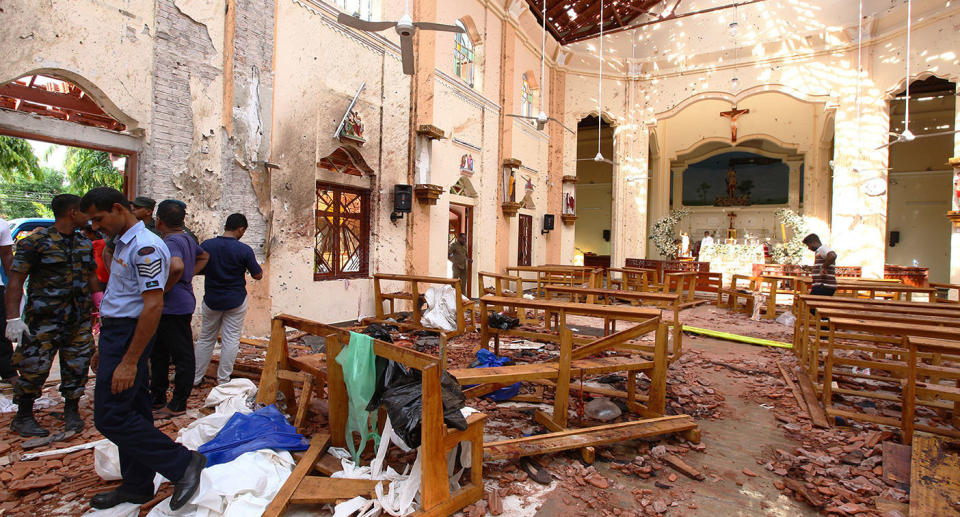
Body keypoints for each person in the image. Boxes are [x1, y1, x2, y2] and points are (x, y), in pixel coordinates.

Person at [80, 187, 205, 511]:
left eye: (99, 218)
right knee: (133, 412)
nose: (96, 226)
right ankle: (137, 486)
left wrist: (129, 360)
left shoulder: (146, 246)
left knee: (110, 416)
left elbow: (152, 306)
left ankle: (182, 463)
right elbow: (126, 295)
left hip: (128, 335)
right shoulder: (125, 243)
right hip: (117, 334)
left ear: (119, 209)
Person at [5, 195, 100, 437]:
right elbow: (15, 281)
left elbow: (91, 278)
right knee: (33, 367)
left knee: (77, 366)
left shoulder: (83, 243)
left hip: (77, 319)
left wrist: (100, 305)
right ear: (72, 212)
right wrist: (13, 318)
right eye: (83, 212)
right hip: (43, 320)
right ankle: (23, 416)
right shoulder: (35, 242)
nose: (87, 217)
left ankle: (71, 411)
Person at [151, 200, 208, 419]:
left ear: (159, 221)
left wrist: (164, 289)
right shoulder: (186, 238)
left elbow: (176, 266)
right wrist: (188, 276)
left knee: (180, 355)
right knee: (160, 353)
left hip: (172, 305)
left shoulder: (172, 241)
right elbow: (204, 257)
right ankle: (157, 396)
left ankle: (177, 403)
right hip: (179, 302)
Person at [194, 214, 262, 386]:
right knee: (230, 339)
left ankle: (195, 377)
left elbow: (197, 268)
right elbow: (258, 274)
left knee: (206, 338)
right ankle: (223, 380)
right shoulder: (244, 250)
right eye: (243, 231)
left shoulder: (207, 245)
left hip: (212, 299)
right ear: (240, 229)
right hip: (235, 299)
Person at [0, 217, 16, 384]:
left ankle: (8, 371)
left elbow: (6, 256)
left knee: (2, 331)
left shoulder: (2, 225)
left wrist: (14, 285)